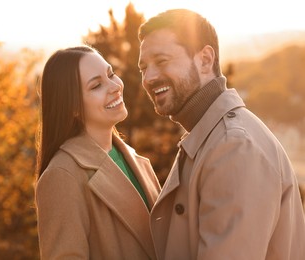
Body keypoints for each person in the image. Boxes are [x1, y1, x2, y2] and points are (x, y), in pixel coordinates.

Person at [138, 8, 305, 260]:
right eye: (143, 68)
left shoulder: (233, 147)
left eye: (161, 61)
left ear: (205, 60)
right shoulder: (209, 135)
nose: (149, 77)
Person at [35, 45, 161, 260]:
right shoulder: (62, 175)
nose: (114, 86)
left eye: (111, 74)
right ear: (73, 106)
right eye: (96, 86)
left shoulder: (132, 158)